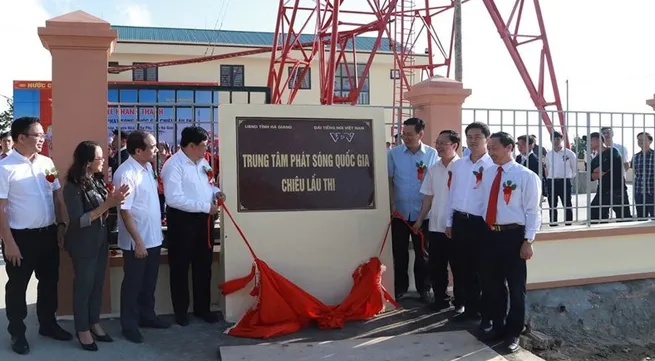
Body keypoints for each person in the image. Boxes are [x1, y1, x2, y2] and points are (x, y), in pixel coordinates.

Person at [0, 117, 72, 355]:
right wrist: (9, 242)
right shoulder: (5, 167)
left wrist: (61, 225)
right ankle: (17, 333)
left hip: (48, 234)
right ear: (21, 137)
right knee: (18, 287)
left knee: (50, 282)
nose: (43, 138)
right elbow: (1, 208)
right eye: (38, 135)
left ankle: (48, 325)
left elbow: (56, 195)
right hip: (20, 238)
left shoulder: (47, 163)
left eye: (43, 135)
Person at [63, 140, 130, 351]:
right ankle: (82, 329)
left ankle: (94, 322)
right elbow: (80, 220)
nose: (104, 160)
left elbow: (104, 210)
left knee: (97, 284)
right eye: (100, 157)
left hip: (101, 240)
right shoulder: (72, 186)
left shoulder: (97, 180)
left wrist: (114, 199)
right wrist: (107, 204)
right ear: (87, 161)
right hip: (83, 243)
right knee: (84, 286)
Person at [479, 131, 540, 353]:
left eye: (494, 147)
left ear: (509, 148)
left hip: (513, 236)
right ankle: (498, 325)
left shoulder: (526, 176)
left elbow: (533, 211)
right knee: (492, 284)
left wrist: (528, 240)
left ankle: (514, 331)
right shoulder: (488, 173)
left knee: (515, 287)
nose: (490, 151)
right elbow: (483, 204)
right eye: (489, 147)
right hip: (490, 235)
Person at [161, 126, 225, 326]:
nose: (206, 150)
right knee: (180, 266)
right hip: (182, 221)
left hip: (203, 220)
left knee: (203, 265)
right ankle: (181, 312)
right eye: (203, 146)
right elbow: (174, 199)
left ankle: (202, 309)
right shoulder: (174, 165)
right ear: (190, 145)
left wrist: (216, 192)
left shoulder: (202, 162)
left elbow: (207, 185)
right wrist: (205, 206)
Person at [114, 130, 171, 343]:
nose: (156, 150)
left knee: (149, 283)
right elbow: (125, 211)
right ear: (138, 150)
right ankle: (129, 324)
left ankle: (147, 316)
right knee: (133, 284)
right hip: (136, 241)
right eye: (152, 147)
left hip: (153, 238)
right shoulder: (126, 172)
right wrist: (138, 241)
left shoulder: (147, 167)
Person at [444, 122, 493, 329]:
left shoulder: (492, 165)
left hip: (482, 224)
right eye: (469, 136)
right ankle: (470, 310)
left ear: (486, 139)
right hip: (460, 221)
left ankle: (487, 314)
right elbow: (451, 194)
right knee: (464, 269)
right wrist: (449, 221)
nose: (472, 140)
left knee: (485, 270)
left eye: (477, 137)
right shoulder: (459, 165)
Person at [387, 117, 438, 302]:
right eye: (403, 134)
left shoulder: (432, 155)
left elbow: (434, 186)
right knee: (399, 253)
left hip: (423, 214)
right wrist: (391, 205)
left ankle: (423, 289)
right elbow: (390, 181)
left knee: (423, 254)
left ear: (420, 134)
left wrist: (421, 217)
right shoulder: (394, 154)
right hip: (399, 213)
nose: (405, 138)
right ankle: (400, 288)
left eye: (410, 134)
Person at [414, 130, 461, 311]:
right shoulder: (434, 168)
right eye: (437, 142)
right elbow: (428, 197)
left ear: (454, 146)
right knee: (436, 265)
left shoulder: (462, 168)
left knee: (458, 267)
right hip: (435, 225)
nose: (438, 146)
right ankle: (440, 299)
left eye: (443, 143)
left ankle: (460, 301)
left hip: (456, 227)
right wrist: (419, 220)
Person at [588, 132, 632, 221]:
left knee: (624, 218)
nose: (589, 143)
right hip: (602, 191)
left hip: (617, 191)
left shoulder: (613, 151)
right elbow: (591, 177)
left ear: (599, 140)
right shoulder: (594, 159)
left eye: (591, 140)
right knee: (595, 215)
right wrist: (600, 170)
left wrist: (599, 170)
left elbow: (605, 168)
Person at [544, 131, 577, 225]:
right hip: (552, 181)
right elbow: (548, 168)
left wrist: (568, 177)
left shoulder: (569, 153)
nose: (556, 141)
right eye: (553, 139)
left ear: (561, 139)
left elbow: (574, 168)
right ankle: (553, 222)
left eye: (558, 139)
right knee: (552, 204)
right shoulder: (549, 154)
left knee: (567, 203)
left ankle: (568, 223)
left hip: (564, 181)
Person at [631, 132, 655, 218]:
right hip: (639, 192)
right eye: (638, 139)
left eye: (643, 139)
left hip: (652, 192)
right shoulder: (635, 157)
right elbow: (632, 174)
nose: (640, 141)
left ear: (650, 141)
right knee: (641, 218)